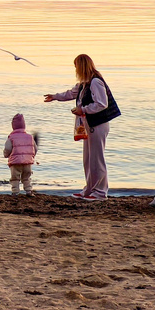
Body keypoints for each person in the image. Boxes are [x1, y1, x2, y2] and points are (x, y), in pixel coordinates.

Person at [44, 54, 120, 200]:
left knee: (97, 159)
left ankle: (100, 192)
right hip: (89, 125)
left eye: (76, 66)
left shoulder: (95, 82)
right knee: (88, 159)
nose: (75, 70)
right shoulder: (84, 83)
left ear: (82, 66)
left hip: (98, 124)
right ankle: (89, 189)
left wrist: (83, 110)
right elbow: (71, 93)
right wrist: (55, 96)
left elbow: (101, 104)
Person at [3, 113, 37, 195]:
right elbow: (35, 148)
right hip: (27, 162)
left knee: (15, 178)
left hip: (15, 162)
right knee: (26, 177)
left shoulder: (11, 137)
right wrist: (31, 156)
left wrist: (5, 155)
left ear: (13, 126)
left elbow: (7, 149)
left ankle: (15, 192)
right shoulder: (30, 137)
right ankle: (28, 191)